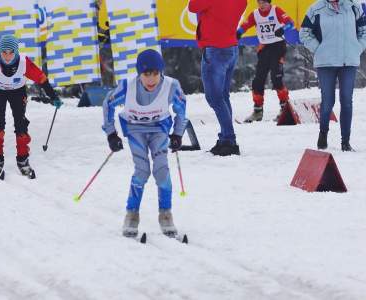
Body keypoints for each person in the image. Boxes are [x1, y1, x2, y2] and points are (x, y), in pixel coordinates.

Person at [102, 49, 187, 238]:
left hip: (159, 130)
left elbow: (182, 110)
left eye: (156, 74)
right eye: (146, 74)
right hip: (135, 130)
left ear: (161, 72)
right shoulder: (127, 86)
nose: (151, 80)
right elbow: (108, 104)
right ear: (139, 73)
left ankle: (166, 214)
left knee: (162, 170)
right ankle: (131, 215)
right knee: (142, 170)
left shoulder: (171, 86)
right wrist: (111, 134)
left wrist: (178, 134)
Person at [0, 35, 63, 178]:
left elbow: (41, 78)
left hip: (18, 91)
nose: (8, 56)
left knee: (21, 123)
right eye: (4, 52)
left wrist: (53, 97)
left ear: (16, 51)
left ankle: (23, 160)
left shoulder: (24, 61)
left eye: (11, 52)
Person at [300, 0, 366, 151]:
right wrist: (319, 49)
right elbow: (304, 33)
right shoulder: (315, 9)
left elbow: (364, 30)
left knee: (347, 101)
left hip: (348, 61)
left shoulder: (354, 6)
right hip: (326, 63)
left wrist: (358, 47)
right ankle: (323, 133)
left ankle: (346, 142)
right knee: (328, 102)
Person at [188, 0, 247, 156]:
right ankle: (225, 138)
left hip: (215, 50)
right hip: (231, 48)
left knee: (214, 98)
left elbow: (192, 6)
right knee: (222, 96)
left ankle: (229, 138)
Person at [236, 0, 294, 122]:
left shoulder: (276, 10)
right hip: (264, 48)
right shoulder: (255, 14)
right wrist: (238, 33)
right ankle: (257, 111)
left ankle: (285, 108)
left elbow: (290, 23)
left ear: (269, 3)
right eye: (259, 3)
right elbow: (245, 25)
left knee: (276, 78)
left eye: (264, 3)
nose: (261, 5)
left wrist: (282, 29)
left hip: (278, 47)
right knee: (258, 80)